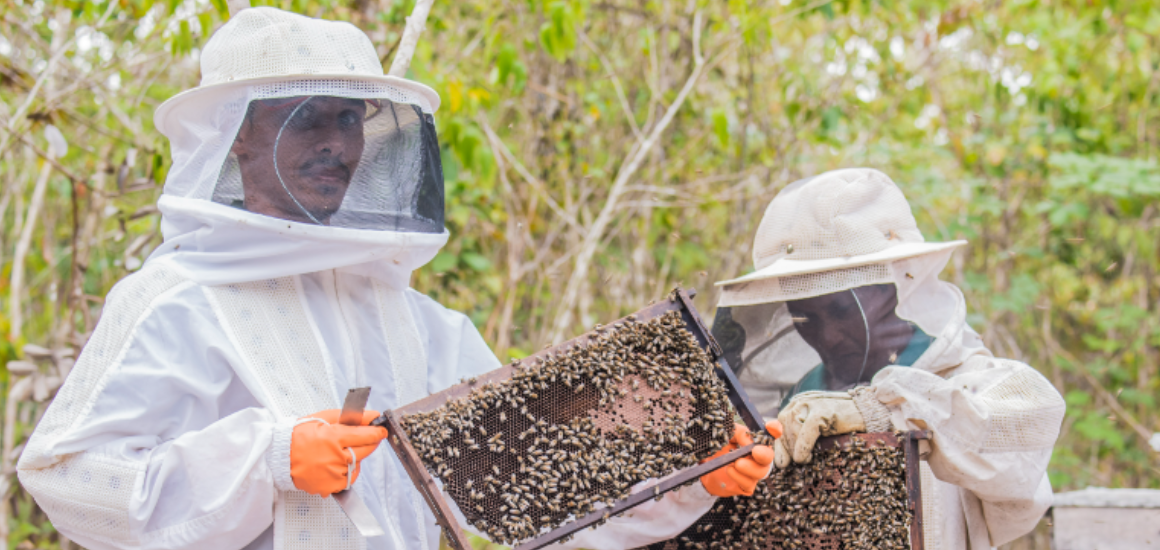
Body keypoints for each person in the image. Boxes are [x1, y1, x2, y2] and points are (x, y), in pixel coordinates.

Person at [17, 8, 771, 550]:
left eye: (350, 120)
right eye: (308, 117)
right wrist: (268, 460)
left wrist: (695, 480)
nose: (337, 144)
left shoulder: (423, 324)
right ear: (239, 136)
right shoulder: (172, 301)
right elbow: (72, 480)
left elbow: (528, 495)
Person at [711, 168, 1066, 549]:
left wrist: (886, 410)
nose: (826, 335)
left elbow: (1027, 442)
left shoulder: (959, 376)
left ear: (890, 289)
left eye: (842, 311)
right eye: (805, 318)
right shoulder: (793, 399)